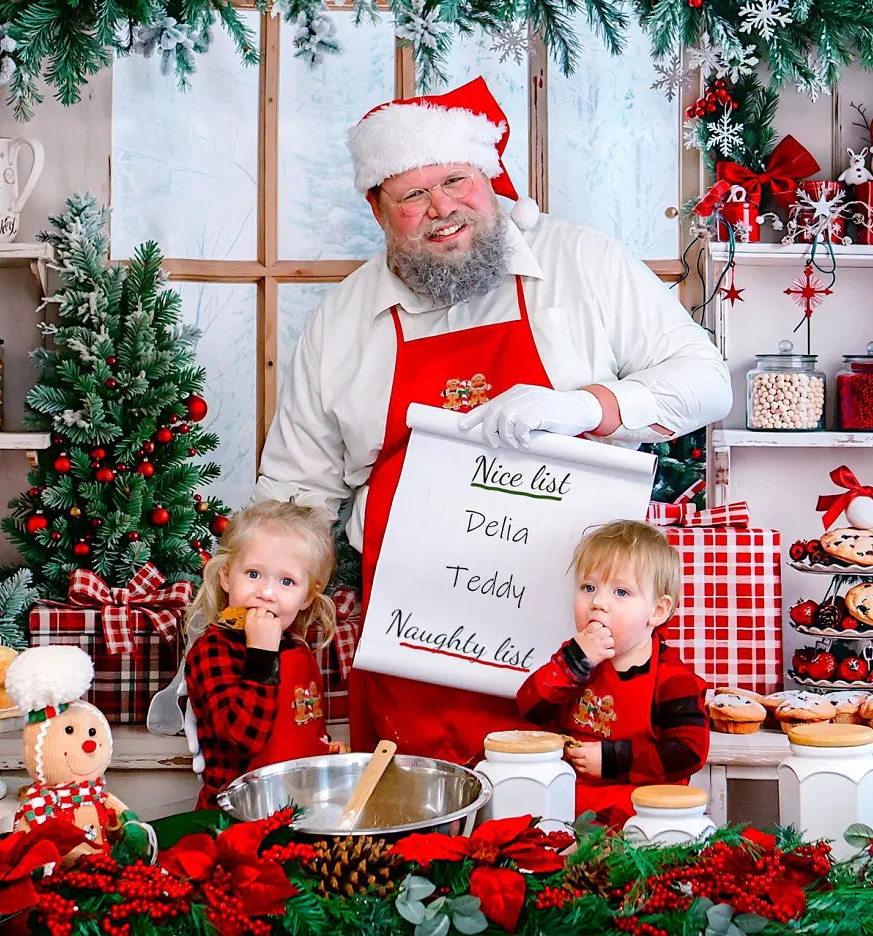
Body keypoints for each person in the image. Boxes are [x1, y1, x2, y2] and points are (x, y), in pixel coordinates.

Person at [254, 76, 732, 762]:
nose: (442, 207)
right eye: (412, 194)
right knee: (414, 823)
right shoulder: (344, 323)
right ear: (378, 209)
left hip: (587, 654)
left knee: (580, 823)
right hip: (414, 661)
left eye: (456, 179)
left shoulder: (583, 264)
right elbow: (293, 499)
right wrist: (245, 642)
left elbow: (708, 383)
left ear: (488, 177)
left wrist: (589, 406)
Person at [516, 520, 710, 826]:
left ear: (657, 611)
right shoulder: (574, 658)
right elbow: (530, 707)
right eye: (588, 588)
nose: (598, 603)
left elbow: (689, 751)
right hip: (567, 803)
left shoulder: (673, 679)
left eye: (620, 592)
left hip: (637, 814)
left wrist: (612, 759)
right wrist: (572, 662)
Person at [181, 500, 346, 808]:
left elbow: (299, 728)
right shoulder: (213, 650)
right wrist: (261, 656)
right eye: (253, 574)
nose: (266, 593)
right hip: (238, 817)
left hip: (298, 810)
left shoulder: (297, 649)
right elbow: (241, 739)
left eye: (287, 581)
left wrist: (322, 753)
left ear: (307, 596)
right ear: (226, 576)